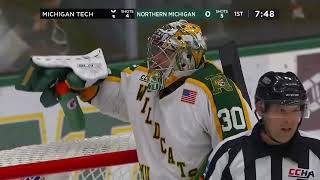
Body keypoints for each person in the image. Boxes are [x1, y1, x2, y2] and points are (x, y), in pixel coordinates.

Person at [16, 19, 257, 179]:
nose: (155, 60)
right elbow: (123, 100)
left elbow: (239, 156)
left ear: (186, 57)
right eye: (156, 52)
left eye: (164, 54)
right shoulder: (144, 77)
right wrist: (87, 87)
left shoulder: (217, 91)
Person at [203, 71, 320, 180]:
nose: (289, 121)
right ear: (260, 109)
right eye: (281, 111)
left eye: (295, 110)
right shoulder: (228, 154)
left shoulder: (317, 150)